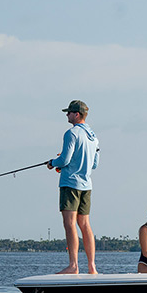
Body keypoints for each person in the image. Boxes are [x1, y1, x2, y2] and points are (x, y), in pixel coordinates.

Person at [47, 100, 99, 274]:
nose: (67, 115)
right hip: (86, 185)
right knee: (85, 224)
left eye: (69, 112)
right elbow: (94, 164)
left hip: (70, 184)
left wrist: (53, 163)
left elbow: (64, 160)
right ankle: (92, 267)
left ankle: (73, 266)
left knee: (69, 224)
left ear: (77, 114)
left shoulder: (71, 133)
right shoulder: (93, 136)